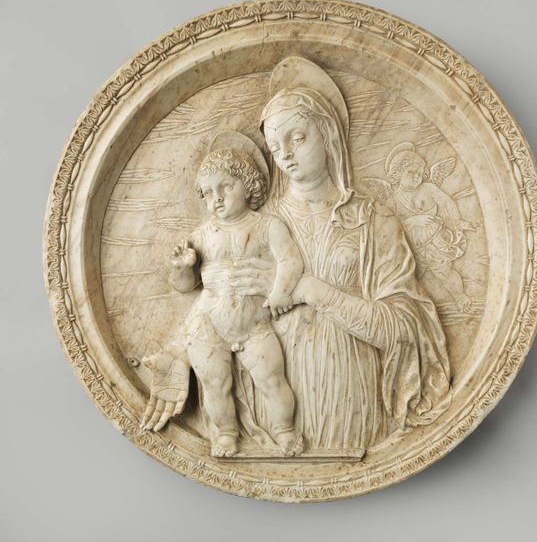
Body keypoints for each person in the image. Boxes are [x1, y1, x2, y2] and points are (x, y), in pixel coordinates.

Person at [223, 57, 453, 452]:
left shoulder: (373, 220)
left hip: (352, 400)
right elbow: (218, 313)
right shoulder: (256, 227)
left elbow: (406, 329)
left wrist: (310, 289)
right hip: (276, 408)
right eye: (275, 146)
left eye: (297, 138)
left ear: (327, 133)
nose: (286, 154)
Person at [142, 132, 304, 458]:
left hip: (255, 324)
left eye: (225, 187)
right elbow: (186, 286)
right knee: (215, 385)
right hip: (209, 324)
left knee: (273, 380)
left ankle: (285, 431)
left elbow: (290, 261)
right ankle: (226, 434)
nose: (216, 198)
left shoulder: (268, 226)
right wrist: (183, 267)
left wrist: (280, 292)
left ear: (249, 183)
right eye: (207, 193)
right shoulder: (201, 235)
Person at [386, 144, 474, 313]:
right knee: (411, 277)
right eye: (411, 172)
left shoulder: (428, 189)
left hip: (434, 240)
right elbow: (389, 225)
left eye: (420, 173)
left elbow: (447, 203)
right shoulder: (394, 199)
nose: (416, 177)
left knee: (444, 272)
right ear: (398, 173)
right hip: (410, 244)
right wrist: (413, 221)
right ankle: (414, 310)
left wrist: (458, 221)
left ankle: (460, 297)